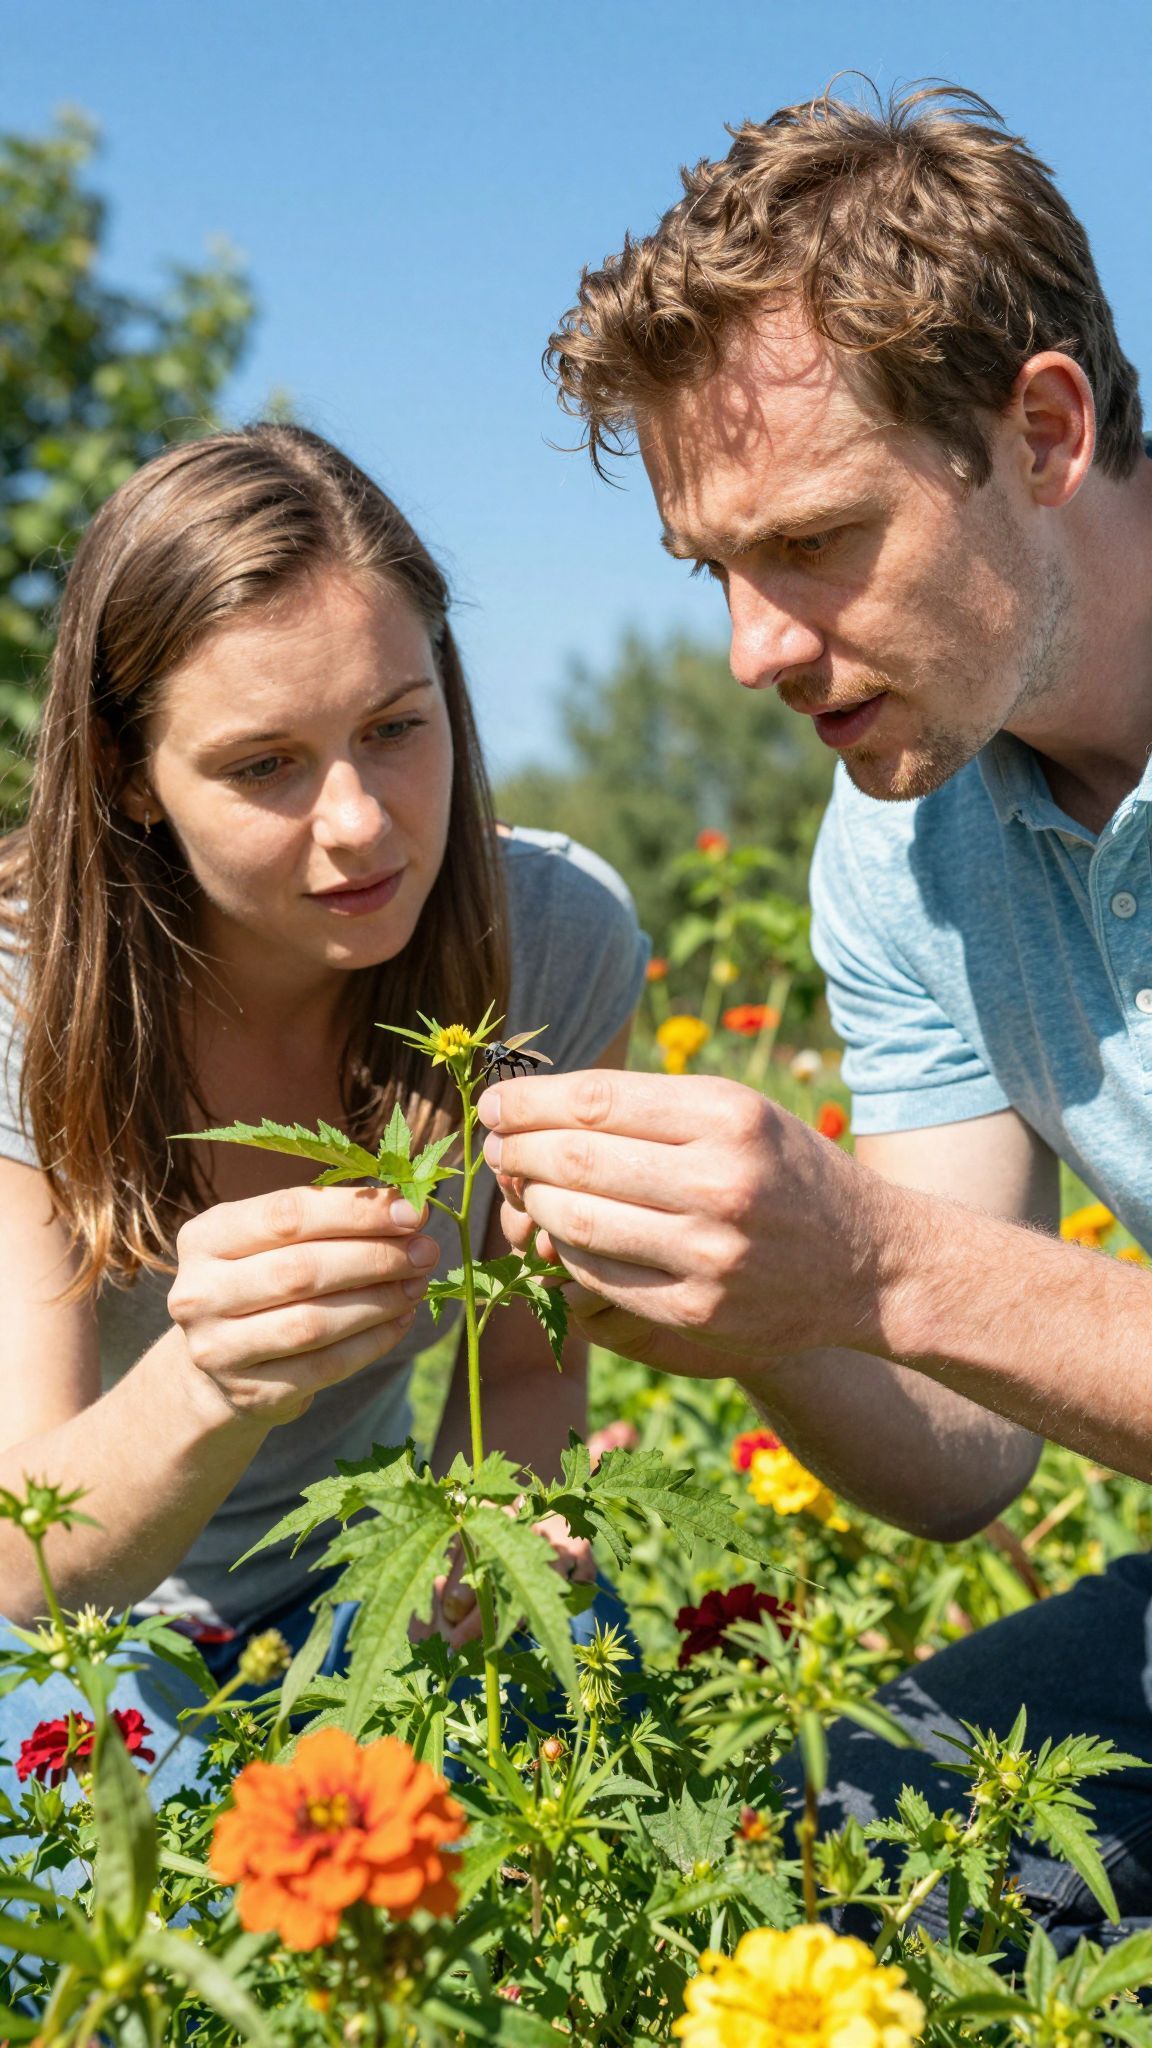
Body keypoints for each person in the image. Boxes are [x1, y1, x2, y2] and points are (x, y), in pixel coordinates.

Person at [478, 85, 1152, 1942]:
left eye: (817, 540)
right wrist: (751, 1290)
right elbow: (964, 1457)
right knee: (824, 1877)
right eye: (716, 568)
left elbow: (920, 1276)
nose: (751, 651)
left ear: (1042, 431)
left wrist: (875, 1261)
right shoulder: (898, 844)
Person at [0, 423, 647, 1792]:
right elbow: (22, 1558)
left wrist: (474, 1536)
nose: (358, 822)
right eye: (264, 766)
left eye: (394, 729)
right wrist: (209, 1382)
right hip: (83, 1635)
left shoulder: (553, 940)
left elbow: (527, 1368)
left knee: (592, 1737)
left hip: (364, 1582)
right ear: (128, 772)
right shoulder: (21, 993)